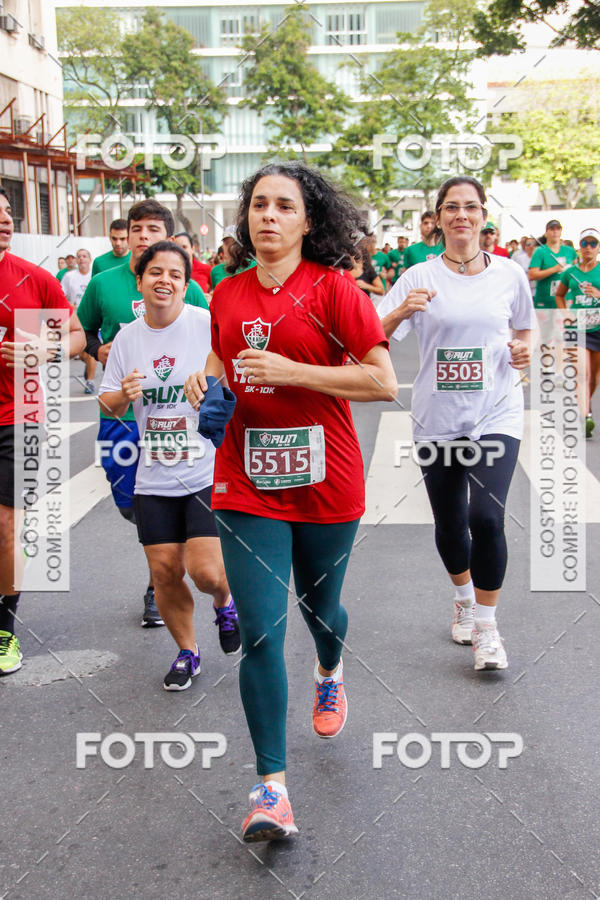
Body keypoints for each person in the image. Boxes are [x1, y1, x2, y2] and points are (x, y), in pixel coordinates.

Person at [185, 161, 397, 841]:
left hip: (329, 480)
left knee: (321, 610)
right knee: (261, 630)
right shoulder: (225, 293)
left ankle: (330, 669)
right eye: (258, 205)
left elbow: (381, 381)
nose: (268, 216)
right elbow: (225, 363)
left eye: (284, 206)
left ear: (309, 221)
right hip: (246, 481)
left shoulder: (336, 290)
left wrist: (292, 372)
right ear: (245, 218)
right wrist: (204, 383)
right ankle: (270, 787)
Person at [379, 175, 533, 673]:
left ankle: (487, 627)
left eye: (470, 207)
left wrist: (524, 352)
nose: (461, 215)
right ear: (438, 218)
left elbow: (524, 331)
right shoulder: (418, 276)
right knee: (450, 522)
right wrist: (402, 308)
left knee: (486, 518)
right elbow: (370, 335)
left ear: (484, 216)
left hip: (497, 410)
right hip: (437, 417)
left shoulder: (509, 274)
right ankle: (463, 597)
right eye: (451, 207)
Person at [99, 242, 240, 689]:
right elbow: (106, 401)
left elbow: (237, 375)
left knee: (207, 572)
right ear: (139, 282)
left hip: (204, 470)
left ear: (186, 283)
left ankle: (224, 602)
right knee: (164, 571)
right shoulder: (128, 338)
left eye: (175, 274)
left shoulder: (205, 327)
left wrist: (212, 386)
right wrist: (124, 393)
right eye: (154, 272)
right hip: (153, 473)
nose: (165, 280)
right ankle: (187, 652)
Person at [77, 199, 209, 628]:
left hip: (181, 426)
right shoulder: (102, 281)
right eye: (137, 228)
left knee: (185, 531)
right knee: (130, 506)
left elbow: (216, 348)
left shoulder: (184, 287)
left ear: (167, 236)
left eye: (154, 229)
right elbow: (84, 332)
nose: (143, 236)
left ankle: (161, 584)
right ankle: (166, 568)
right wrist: (100, 350)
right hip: (125, 419)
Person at [0, 187, 85, 675]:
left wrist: (46, 351)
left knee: (6, 523)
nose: (6, 221)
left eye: (9, 213)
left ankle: (5, 629)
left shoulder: (32, 279)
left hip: (20, 415)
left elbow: (75, 335)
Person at [555, 228, 600, 438]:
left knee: (594, 377)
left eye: (593, 243)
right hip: (577, 328)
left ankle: (585, 404)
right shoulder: (570, 272)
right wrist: (565, 314)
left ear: (598, 247)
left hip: (598, 328)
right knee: (583, 373)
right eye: (585, 243)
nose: (589, 247)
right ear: (579, 247)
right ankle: (586, 416)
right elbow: (559, 295)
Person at [529, 219, 577, 344]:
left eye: (557, 229)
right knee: (545, 339)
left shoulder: (570, 251)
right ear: (546, 232)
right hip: (545, 301)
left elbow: (577, 272)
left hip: (565, 301)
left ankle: (562, 363)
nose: (555, 232)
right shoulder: (540, 251)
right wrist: (554, 269)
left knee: (563, 338)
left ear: (561, 231)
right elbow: (532, 274)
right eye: (552, 229)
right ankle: (546, 363)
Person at [62, 248, 97, 394]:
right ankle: (88, 368)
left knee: (90, 353)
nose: (81, 259)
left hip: (92, 319)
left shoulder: (95, 276)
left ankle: (90, 381)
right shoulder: (69, 277)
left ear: (90, 259)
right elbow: (60, 297)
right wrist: (72, 306)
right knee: (81, 354)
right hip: (76, 319)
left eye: (84, 256)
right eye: (79, 257)